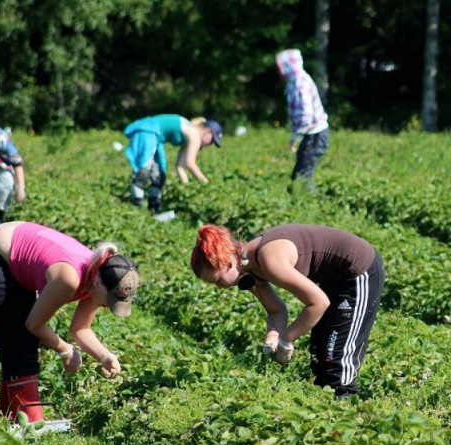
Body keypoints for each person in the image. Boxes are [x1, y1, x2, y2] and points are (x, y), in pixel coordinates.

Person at [0, 221, 140, 423]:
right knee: (20, 339)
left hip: (16, 256)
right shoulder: (69, 278)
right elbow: (34, 324)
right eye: (109, 300)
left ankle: (9, 418)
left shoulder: (98, 275)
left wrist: (105, 357)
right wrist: (65, 350)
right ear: (98, 283)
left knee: (18, 343)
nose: (107, 306)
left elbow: (80, 329)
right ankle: (29, 423)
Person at [190, 224, 384, 398]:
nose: (219, 287)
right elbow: (276, 310)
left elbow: (318, 303)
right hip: (334, 278)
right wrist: (273, 338)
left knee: (336, 362)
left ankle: (350, 412)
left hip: (358, 271)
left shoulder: (268, 260)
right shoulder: (248, 265)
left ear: (228, 263)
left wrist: (287, 340)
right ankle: (326, 411)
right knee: (319, 352)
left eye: (217, 280)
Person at [123, 115, 223, 214]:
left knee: (159, 175)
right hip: (148, 131)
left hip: (155, 137)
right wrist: (206, 183)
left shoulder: (190, 134)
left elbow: (180, 166)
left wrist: (187, 186)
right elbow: (190, 163)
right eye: (212, 140)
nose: (210, 144)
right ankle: (137, 205)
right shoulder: (195, 134)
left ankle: (153, 210)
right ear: (207, 132)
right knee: (144, 170)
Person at [276, 49, 330, 193]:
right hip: (312, 133)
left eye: (281, 67)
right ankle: (298, 201)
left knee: (302, 177)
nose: (279, 72)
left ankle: (314, 206)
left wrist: (296, 137)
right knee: (298, 175)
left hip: (315, 134)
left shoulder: (299, 83)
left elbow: (305, 114)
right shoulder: (296, 80)